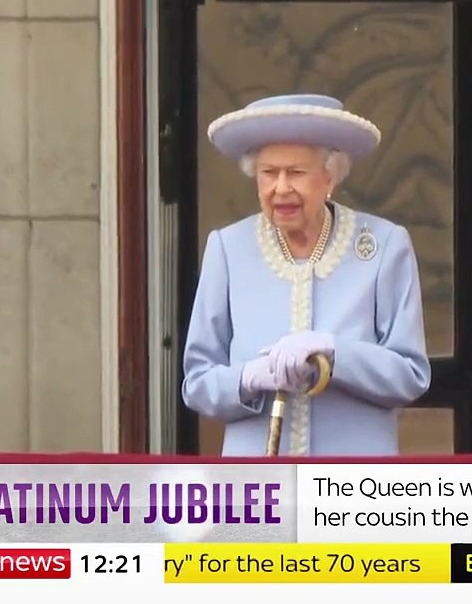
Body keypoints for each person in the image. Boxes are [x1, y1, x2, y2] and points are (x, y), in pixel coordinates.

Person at [183, 94, 431, 456]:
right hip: (258, 488)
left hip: (350, 486)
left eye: (296, 172)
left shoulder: (383, 245)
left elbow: (410, 375)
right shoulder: (228, 249)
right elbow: (197, 383)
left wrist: (334, 352)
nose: (280, 188)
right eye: (269, 173)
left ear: (330, 176)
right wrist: (248, 378)